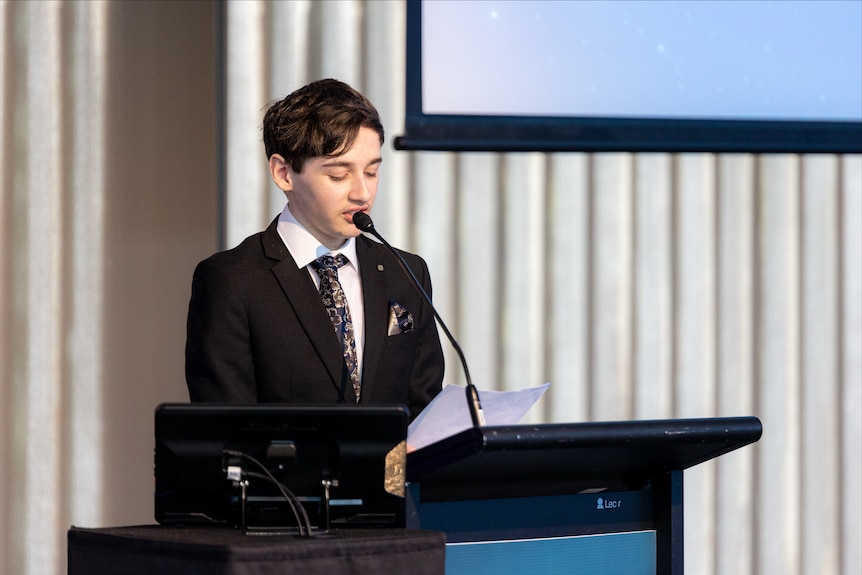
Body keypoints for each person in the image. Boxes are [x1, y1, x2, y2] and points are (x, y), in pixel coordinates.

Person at [185, 79, 444, 419]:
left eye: (371, 172)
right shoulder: (233, 280)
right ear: (283, 173)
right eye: (339, 175)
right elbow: (225, 428)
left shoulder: (405, 272)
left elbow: (425, 410)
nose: (362, 193)